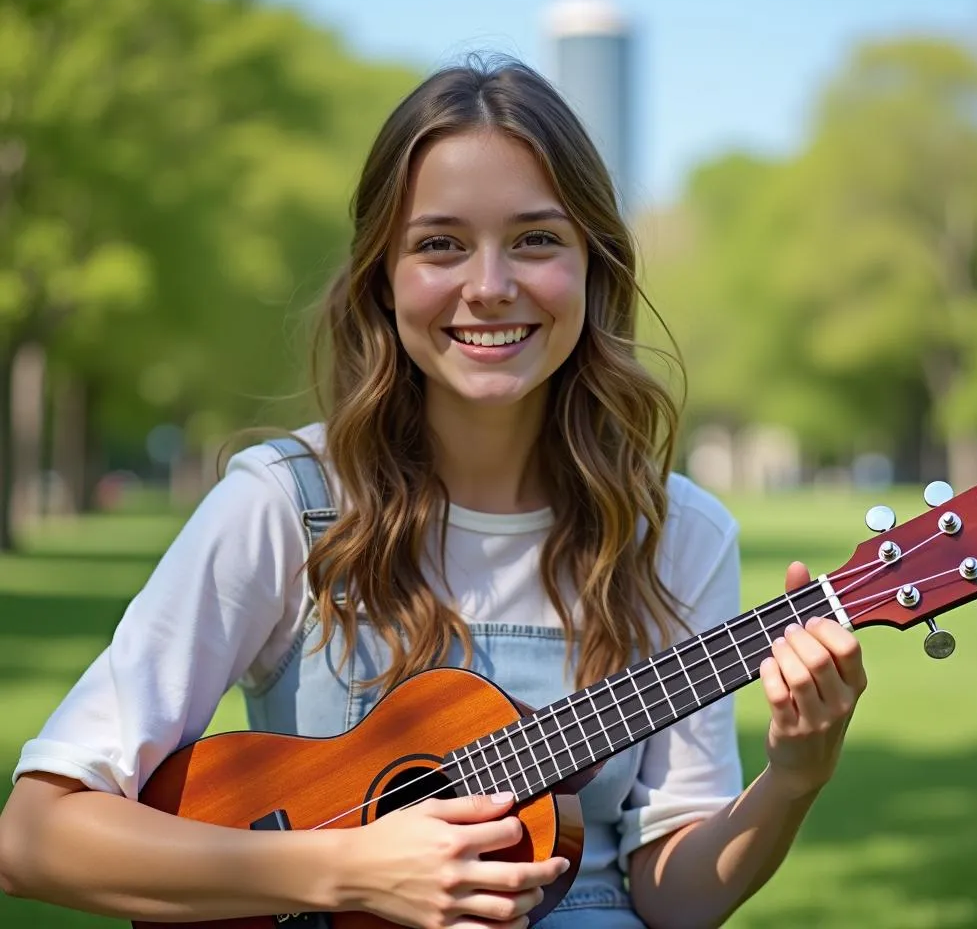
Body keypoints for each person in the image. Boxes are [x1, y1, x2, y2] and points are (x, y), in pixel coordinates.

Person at [0, 58, 867, 929]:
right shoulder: (284, 505)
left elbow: (673, 899)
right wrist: (346, 870)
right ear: (383, 276)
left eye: (535, 239)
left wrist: (794, 776)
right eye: (441, 244)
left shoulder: (675, 531)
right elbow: (35, 838)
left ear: (593, 266)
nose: (489, 286)